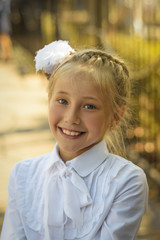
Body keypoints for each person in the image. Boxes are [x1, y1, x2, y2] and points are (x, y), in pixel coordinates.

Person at [0, 40, 148, 240]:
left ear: (116, 116)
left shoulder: (126, 182)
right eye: (62, 101)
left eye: (89, 106)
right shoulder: (23, 175)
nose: (71, 117)